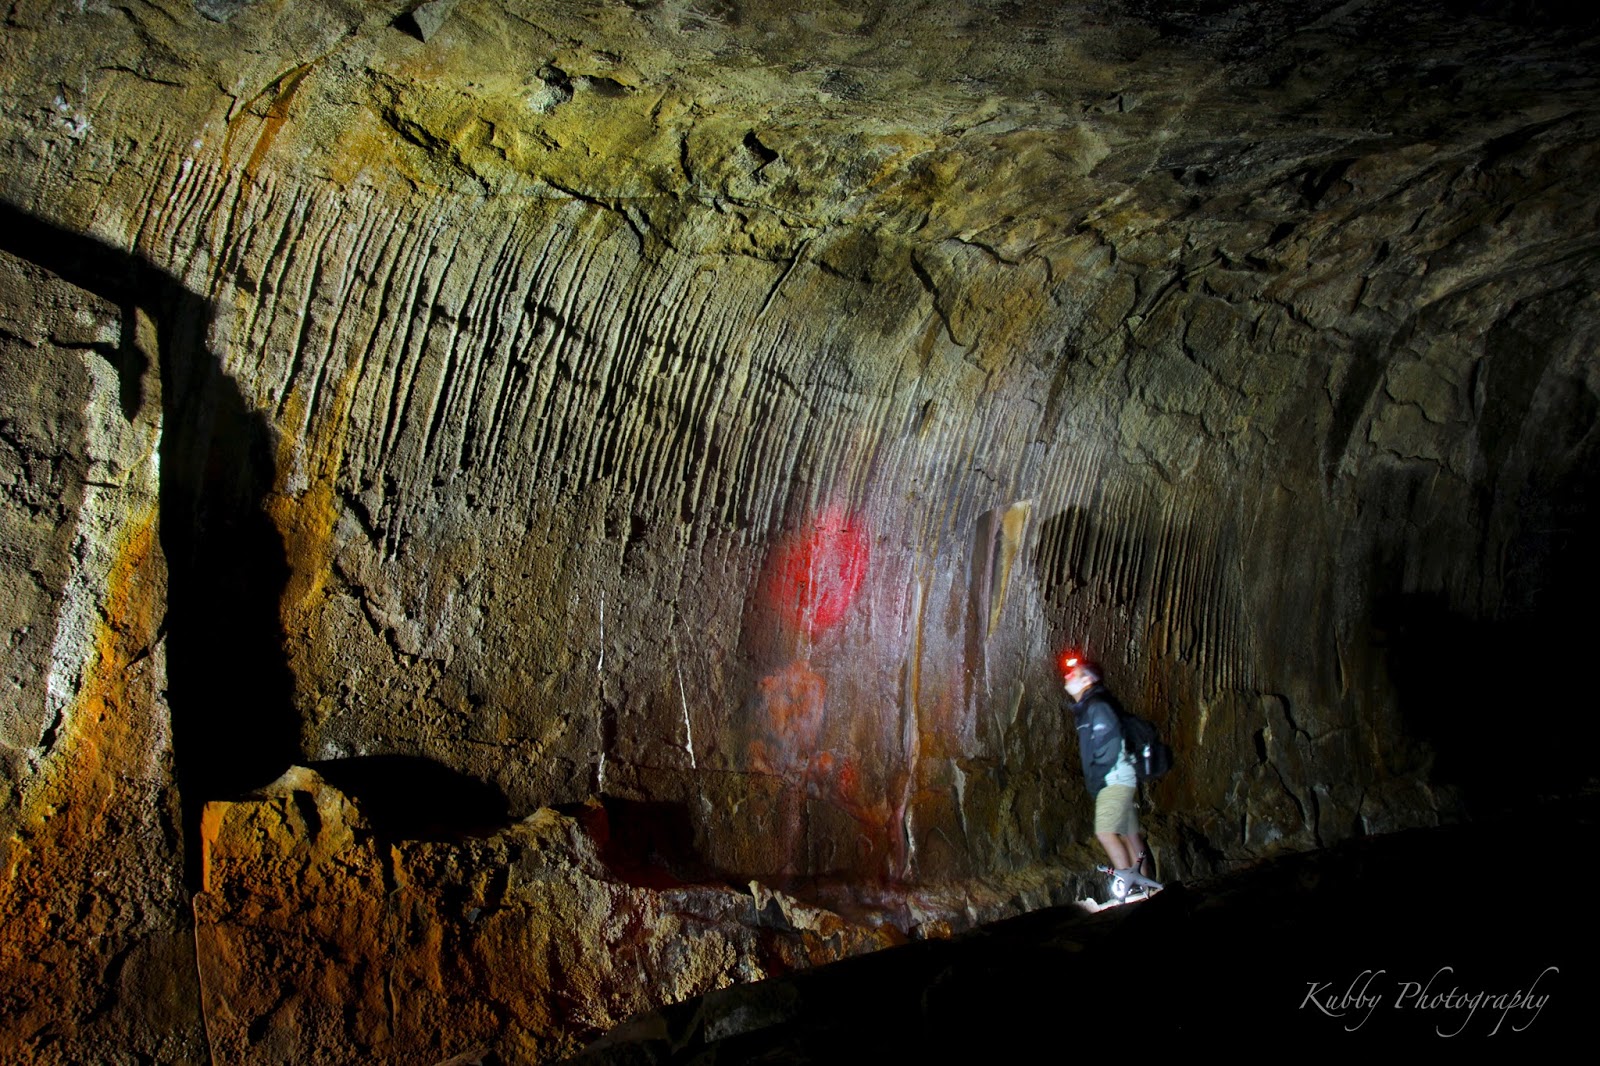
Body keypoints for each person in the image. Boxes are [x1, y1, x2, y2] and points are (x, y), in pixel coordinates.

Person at [1062, 654, 1153, 883]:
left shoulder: (1097, 706)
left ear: (1087, 681)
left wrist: (1097, 776)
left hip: (1113, 777)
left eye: (1075, 674)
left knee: (1105, 833)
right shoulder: (1091, 706)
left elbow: (1109, 745)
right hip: (1120, 775)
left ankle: (1128, 883)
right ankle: (1147, 888)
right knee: (1129, 834)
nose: (1068, 676)